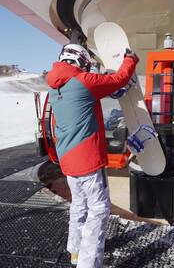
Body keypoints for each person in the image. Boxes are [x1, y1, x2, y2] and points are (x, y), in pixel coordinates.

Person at [46, 43, 137, 268]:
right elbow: (118, 81)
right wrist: (130, 60)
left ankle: (74, 251)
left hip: (68, 160)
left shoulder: (54, 87)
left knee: (79, 206)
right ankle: (88, 264)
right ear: (80, 61)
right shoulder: (84, 82)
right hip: (87, 161)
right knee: (99, 211)